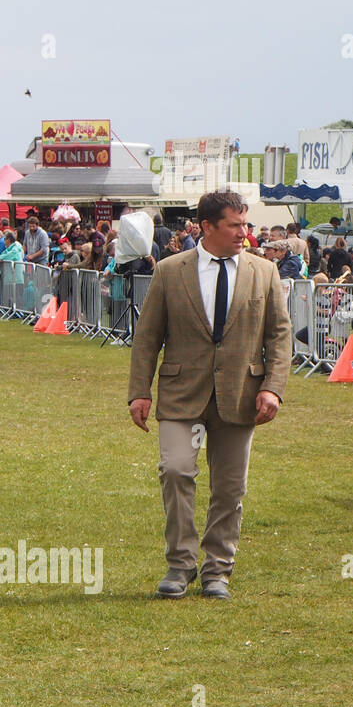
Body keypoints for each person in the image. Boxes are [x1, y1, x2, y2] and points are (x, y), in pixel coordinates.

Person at [128, 189, 292, 600]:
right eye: (236, 225)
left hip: (241, 394)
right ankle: (179, 565)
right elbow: (147, 338)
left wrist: (273, 387)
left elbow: (280, 334)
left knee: (230, 488)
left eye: (246, 224)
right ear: (207, 227)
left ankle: (218, 570)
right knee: (177, 470)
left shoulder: (264, 271)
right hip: (181, 393)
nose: (245, 232)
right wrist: (138, 392)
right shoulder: (169, 271)